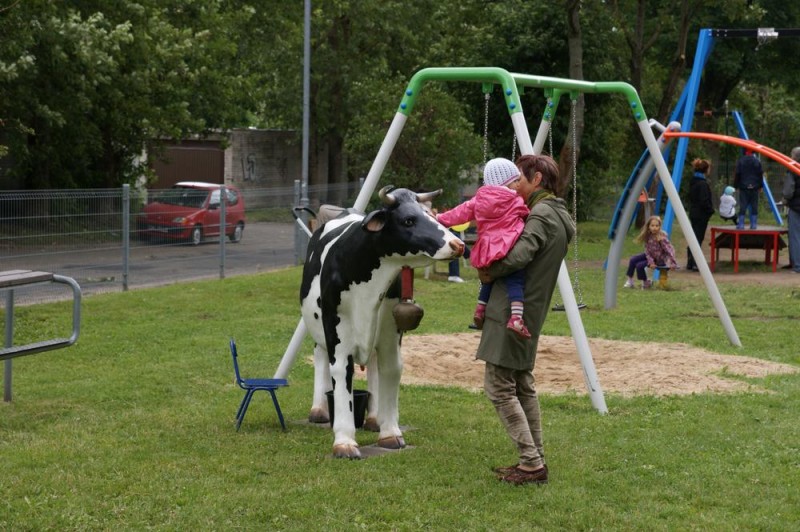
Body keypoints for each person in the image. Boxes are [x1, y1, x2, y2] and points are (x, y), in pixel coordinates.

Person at [476, 154, 573, 486]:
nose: (513, 184)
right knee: (522, 384)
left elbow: (520, 255)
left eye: (519, 178)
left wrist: (489, 270)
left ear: (536, 180)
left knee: (499, 386)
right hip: (531, 309)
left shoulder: (542, 214)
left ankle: (531, 463)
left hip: (510, 310)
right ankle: (536, 459)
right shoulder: (560, 214)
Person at [438, 158, 532, 339]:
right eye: (515, 181)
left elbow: (459, 213)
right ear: (506, 182)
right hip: (507, 246)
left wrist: (440, 218)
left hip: (487, 248)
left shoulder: (478, 200)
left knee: (488, 279)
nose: (518, 184)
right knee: (516, 279)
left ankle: (480, 309)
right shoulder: (514, 201)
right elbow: (527, 216)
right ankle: (516, 318)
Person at [624, 215, 679, 288]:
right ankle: (630, 280)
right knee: (633, 259)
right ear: (649, 226)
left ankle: (646, 282)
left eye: (657, 226)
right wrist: (651, 261)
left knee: (639, 265)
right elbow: (647, 251)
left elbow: (669, 250)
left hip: (659, 259)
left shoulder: (661, 237)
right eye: (652, 225)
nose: (654, 228)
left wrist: (673, 263)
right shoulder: (648, 236)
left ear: (659, 227)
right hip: (650, 256)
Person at [686, 158, 715, 271]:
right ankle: (694, 262)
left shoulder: (693, 181)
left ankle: (690, 262)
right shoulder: (702, 184)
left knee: (694, 237)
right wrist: (710, 210)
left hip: (694, 212)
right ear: (706, 170)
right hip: (701, 214)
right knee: (698, 238)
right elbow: (704, 200)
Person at [734, 148, 763, 229]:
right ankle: (753, 224)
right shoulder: (757, 161)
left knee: (743, 205)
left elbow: (737, 174)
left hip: (743, 186)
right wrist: (760, 186)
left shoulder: (741, 161)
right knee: (754, 205)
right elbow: (760, 174)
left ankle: (741, 224)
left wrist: (736, 185)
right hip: (755, 186)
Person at [782, 147, 800, 273]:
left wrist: (785, 200)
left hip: (796, 207)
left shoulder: (793, 170)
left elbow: (788, 191)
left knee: (795, 236)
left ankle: (797, 265)